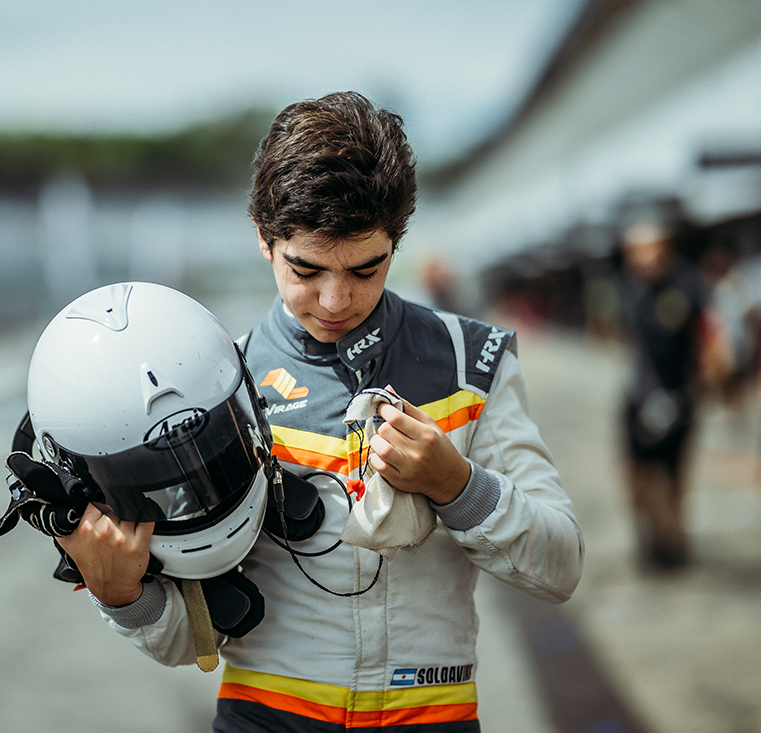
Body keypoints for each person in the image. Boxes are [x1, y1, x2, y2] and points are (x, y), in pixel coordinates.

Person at [55, 91, 584, 732]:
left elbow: (560, 568)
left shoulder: (470, 360)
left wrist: (457, 486)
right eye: (306, 269)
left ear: (399, 241)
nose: (336, 300)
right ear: (263, 239)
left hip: (431, 718)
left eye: (367, 268)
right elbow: (185, 644)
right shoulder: (217, 384)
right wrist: (123, 596)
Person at [617, 215, 709, 571]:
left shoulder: (687, 283)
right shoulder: (630, 284)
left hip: (678, 396)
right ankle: (650, 539)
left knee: (674, 475)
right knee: (638, 474)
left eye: (647, 251)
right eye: (634, 253)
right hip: (639, 395)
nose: (640, 260)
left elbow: (705, 336)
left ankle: (673, 544)